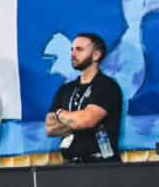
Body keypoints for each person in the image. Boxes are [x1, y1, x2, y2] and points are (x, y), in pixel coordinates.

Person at [42, 33, 123, 164]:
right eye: (72, 49)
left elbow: (86, 121)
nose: (73, 54)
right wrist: (77, 121)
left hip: (100, 166)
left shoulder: (107, 86)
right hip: (70, 166)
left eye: (79, 49)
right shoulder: (65, 89)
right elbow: (50, 127)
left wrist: (60, 113)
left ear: (96, 55)